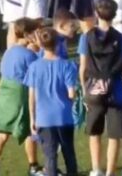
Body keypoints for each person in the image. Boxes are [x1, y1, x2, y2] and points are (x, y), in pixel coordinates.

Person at [78, 0, 122, 176]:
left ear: (96, 14)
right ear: (115, 15)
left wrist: (85, 91)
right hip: (116, 90)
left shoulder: (86, 38)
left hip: (94, 89)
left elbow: (83, 68)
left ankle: (96, 169)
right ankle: (111, 171)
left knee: (95, 133)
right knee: (114, 135)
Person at [0, 20, 44, 176]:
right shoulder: (29, 55)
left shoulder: (9, 51)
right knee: (29, 131)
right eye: (35, 32)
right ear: (27, 34)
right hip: (19, 94)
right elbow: (42, 70)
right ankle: (33, 166)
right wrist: (41, 49)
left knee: (2, 133)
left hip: (3, 93)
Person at [24, 28, 79, 176]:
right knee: (69, 153)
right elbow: (71, 93)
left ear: (40, 44)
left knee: (50, 155)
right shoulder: (68, 65)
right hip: (64, 116)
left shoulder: (34, 67)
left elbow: (31, 96)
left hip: (44, 118)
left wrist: (32, 119)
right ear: (58, 44)